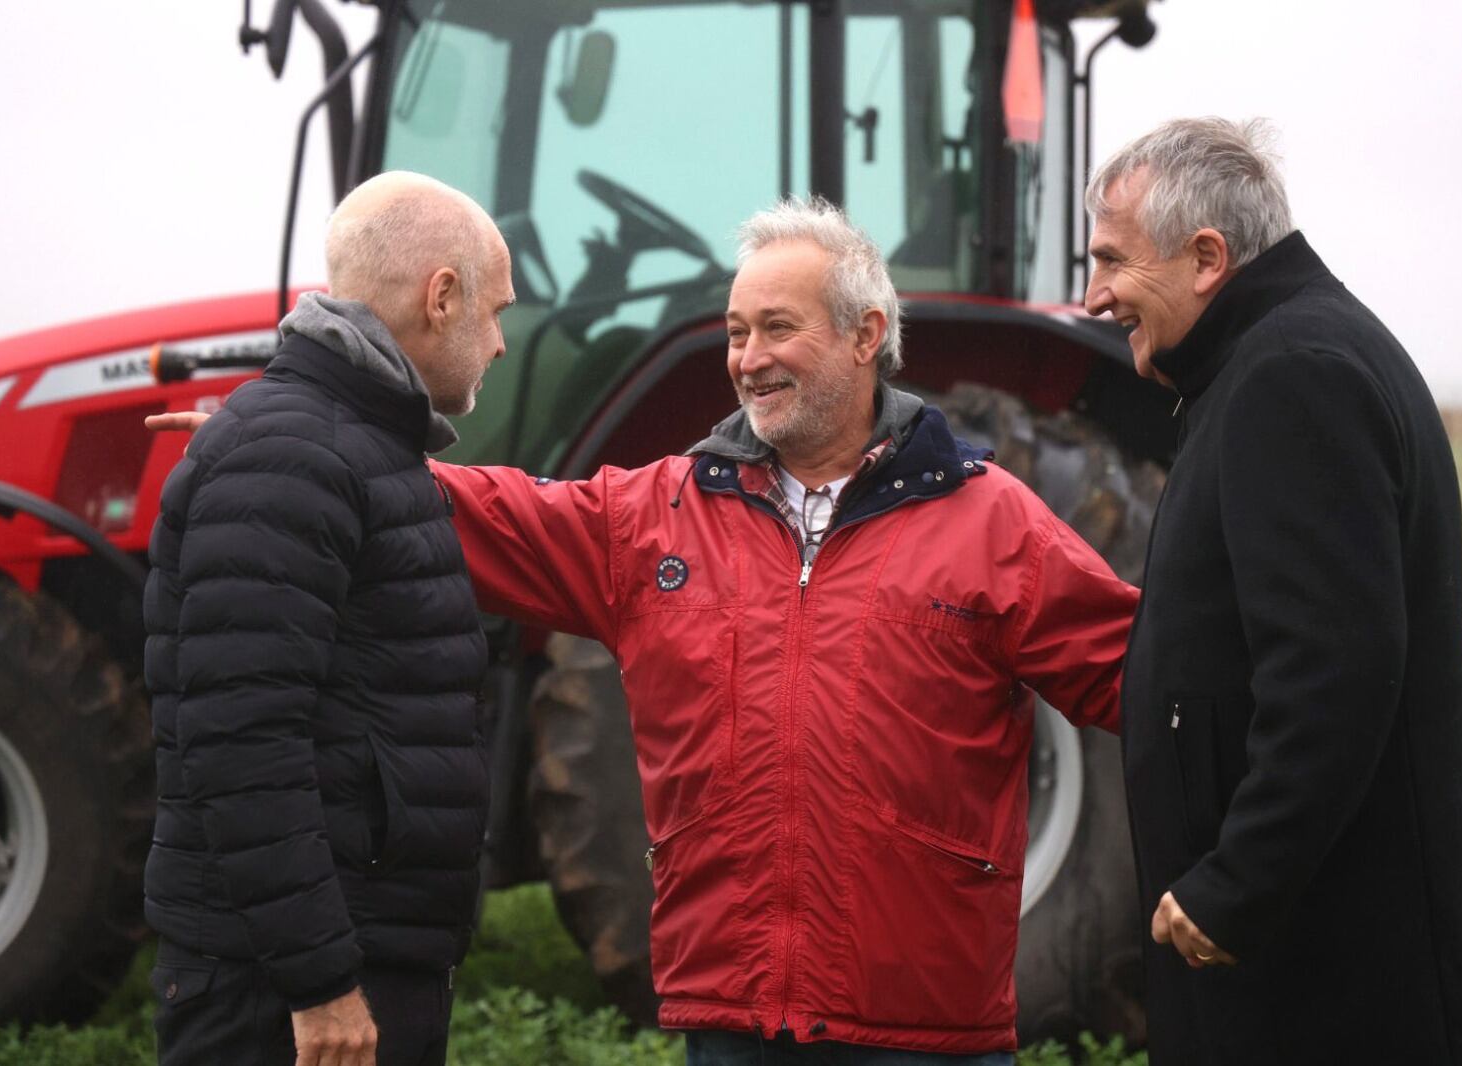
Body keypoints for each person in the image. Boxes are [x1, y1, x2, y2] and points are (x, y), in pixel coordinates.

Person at [430, 197, 1140, 1062]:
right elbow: (479, 514)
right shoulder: (660, 516)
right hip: (737, 1024)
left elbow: (1151, 685)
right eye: (736, 332)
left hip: (926, 1031)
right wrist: (303, 447)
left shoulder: (992, 523)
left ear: (865, 333)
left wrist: (1247, 862)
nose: (747, 359)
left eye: (777, 328)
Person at [1084, 117, 1462, 1065]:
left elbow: (1332, 674)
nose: (1096, 297)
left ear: (1206, 257)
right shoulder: (1270, 363)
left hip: (1336, 984)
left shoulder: (1292, 376)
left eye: (1114, 261)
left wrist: (1235, 885)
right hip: (1313, 968)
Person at [143, 171, 514, 1066]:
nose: (500, 342)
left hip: (359, 951)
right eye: (496, 311)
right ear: (442, 296)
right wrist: (320, 982)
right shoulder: (295, 455)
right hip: (285, 995)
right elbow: (242, 740)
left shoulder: (346, 447)